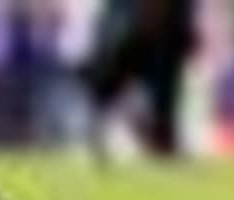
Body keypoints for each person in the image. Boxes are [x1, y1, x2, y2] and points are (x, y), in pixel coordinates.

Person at [83, 0, 200, 157]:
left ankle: (162, 136)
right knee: (118, 67)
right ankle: (102, 128)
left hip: (164, 33)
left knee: (165, 79)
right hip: (132, 28)